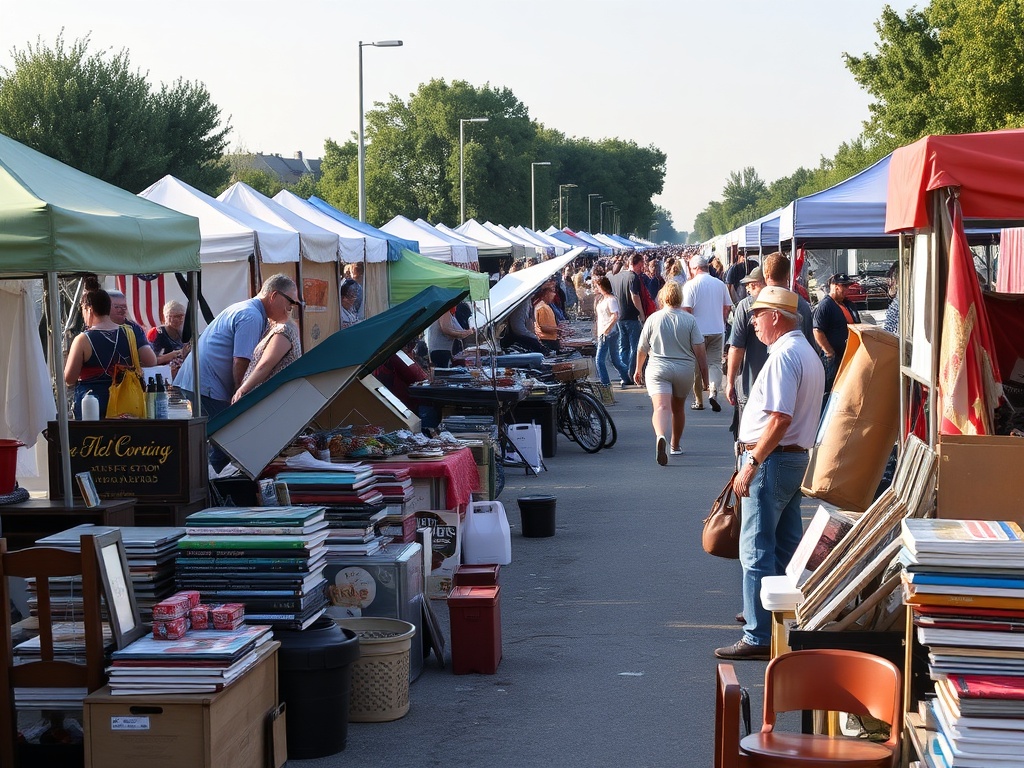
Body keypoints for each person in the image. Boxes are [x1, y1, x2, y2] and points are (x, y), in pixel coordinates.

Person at [715, 286, 825, 660]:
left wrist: (752, 462)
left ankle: (758, 634)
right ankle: (779, 622)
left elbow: (779, 419)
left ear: (776, 316)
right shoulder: (804, 352)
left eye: (757, 314)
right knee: (784, 545)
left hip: (774, 458)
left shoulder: (784, 357)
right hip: (789, 458)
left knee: (756, 549)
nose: (752, 321)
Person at [174, 273, 299, 456]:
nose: (291, 307)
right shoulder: (252, 316)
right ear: (274, 296)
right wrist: (240, 396)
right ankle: (214, 483)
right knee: (225, 448)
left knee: (206, 448)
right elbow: (240, 360)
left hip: (196, 384)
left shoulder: (246, 309)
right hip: (206, 389)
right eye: (290, 301)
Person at [634, 281, 709, 465]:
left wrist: (638, 369)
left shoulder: (653, 318)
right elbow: (700, 351)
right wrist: (705, 378)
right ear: (680, 298)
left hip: (658, 368)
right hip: (683, 369)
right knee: (678, 409)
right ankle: (675, 445)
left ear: (662, 298)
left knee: (661, 408)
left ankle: (661, 436)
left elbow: (642, 348)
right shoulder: (689, 320)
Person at [64, 278, 157, 419]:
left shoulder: (82, 340)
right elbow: (151, 361)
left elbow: (69, 379)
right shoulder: (130, 332)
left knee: (93, 441)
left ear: (89, 309)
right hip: (125, 401)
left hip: (93, 403)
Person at [681, 255, 732, 411]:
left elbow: (687, 309)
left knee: (696, 366)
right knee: (715, 363)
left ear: (695, 268)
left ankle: (699, 401)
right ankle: (714, 390)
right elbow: (727, 306)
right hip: (717, 329)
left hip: (697, 331)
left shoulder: (690, 285)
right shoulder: (720, 284)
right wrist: (721, 319)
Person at [725, 267, 767, 439]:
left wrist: (730, 382)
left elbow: (736, 348)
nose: (748, 289)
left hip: (752, 383)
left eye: (750, 285)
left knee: (748, 437)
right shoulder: (798, 303)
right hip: (784, 385)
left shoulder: (746, 306)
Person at [813, 273, 861, 396]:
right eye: (844, 286)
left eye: (848, 286)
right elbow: (817, 330)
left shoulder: (848, 304)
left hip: (849, 356)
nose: (847, 289)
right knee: (831, 391)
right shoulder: (826, 305)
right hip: (834, 359)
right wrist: (829, 352)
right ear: (834, 286)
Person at [232, 319, 302, 403]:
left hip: (269, 399)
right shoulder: (274, 328)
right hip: (268, 398)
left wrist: (242, 390)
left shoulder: (283, 330)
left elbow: (264, 365)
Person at [610, 253, 647, 387]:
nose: (642, 268)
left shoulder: (620, 276)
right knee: (635, 347)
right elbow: (634, 296)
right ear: (637, 263)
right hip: (631, 316)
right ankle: (631, 374)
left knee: (623, 347)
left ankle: (624, 374)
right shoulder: (633, 277)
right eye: (642, 264)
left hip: (621, 316)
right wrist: (642, 314)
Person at [594, 276, 630, 387]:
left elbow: (615, 315)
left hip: (608, 333)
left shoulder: (611, 300)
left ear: (601, 286)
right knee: (615, 359)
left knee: (599, 360)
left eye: (597, 286)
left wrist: (607, 329)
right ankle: (627, 377)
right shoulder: (602, 299)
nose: (596, 288)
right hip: (605, 331)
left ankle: (605, 383)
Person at [147, 300, 189, 373]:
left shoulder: (185, 333)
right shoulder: (157, 333)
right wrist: (175, 354)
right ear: (167, 317)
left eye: (183, 316)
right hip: (163, 375)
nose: (181, 320)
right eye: (177, 316)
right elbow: (150, 361)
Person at [534, 284, 561, 353]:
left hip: (550, 339)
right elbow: (543, 327)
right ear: (546, 294)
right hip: (547, 340)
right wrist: (558, 329)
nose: (554, 295)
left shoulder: (545, 306)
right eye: (552, 292)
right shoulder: (542, 307)